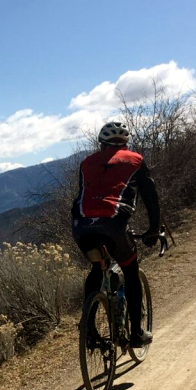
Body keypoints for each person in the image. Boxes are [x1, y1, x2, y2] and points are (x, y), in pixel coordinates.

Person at [71, 121, 161, 347]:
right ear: (126, 143)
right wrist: (154, 228)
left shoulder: (86, 163)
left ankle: (88, 328)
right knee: (130, 270)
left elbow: (87, 193)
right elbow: (150, 197)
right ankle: (137, 333)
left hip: (81, 225)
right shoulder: (135, 160)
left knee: (96, 267)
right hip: (114, 224)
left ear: (101, 144)